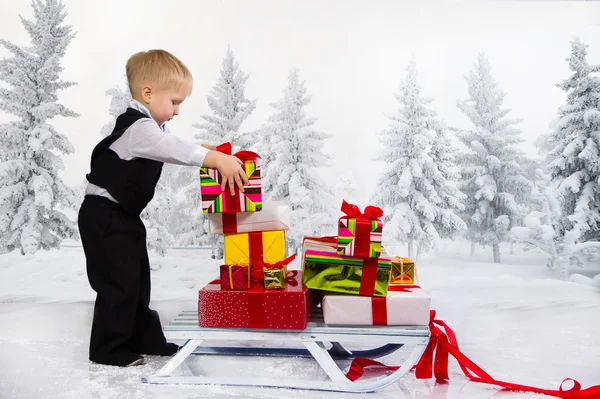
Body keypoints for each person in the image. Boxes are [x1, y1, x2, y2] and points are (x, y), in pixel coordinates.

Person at [78, 49, 248, 367]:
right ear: (148, 94)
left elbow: (170, 144)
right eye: (175, 102)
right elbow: (172, 148)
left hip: (122, 216)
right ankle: (107, 348)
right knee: (119, 282)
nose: (177, 111)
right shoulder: (139, 129)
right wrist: (214, 159)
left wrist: (206, 149)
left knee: (137, 279)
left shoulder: (147, 131)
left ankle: (141, 337)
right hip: (104, 215)